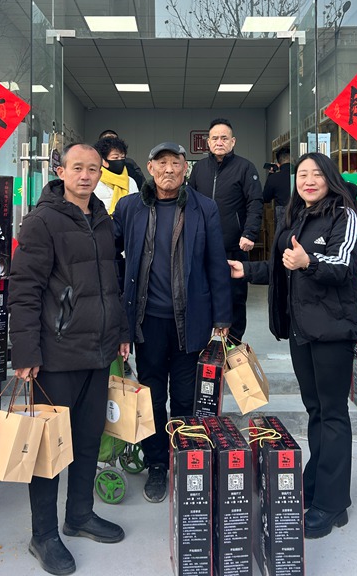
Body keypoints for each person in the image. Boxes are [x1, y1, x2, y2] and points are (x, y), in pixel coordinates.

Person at [228, 152, 357, 540]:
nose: (308, 180)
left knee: (333, 412)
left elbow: (343, 265)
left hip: (333, 330)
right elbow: (282, 266)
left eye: (316, 174)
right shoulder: (296, 216)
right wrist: (247, 270)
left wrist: (309, 262)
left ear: (329, 178)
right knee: (315, 409)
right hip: (302, 329)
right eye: (302, 174)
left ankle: (333, 503)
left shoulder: (344, 214)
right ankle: (317, 483)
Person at [8, 143, 130, 576]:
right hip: (56, 356)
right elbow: (24, 287)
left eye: (93, 169)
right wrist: (25, 351)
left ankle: (79, 515)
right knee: (49, 448)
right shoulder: (42, 221)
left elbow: (112, 282)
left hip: (98, 352)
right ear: (60, 171)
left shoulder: (102, 218)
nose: (85, 176)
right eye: (77, 168)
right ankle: (42, 535)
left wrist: (121, 331)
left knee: (88, 440)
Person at [113, 141, 232, 504]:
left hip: (190, 319)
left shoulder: (204, 207)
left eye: (176, 163)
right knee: (151, 396)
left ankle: (183, 459)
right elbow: (109, 256)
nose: (169, 169)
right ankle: (157, 465)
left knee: (184, 396)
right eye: (161, 162)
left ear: (185, 169)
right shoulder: (129, 207)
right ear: (150, 168)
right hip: (147, 320)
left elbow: (216, 263)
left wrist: (222, 317)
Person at [188, 118, 263, 341]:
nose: (219, 142)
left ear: (233, 141)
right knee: (201, 295)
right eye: (215, 138)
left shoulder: (245, 168)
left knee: (234, 299)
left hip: (233, 246)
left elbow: (255, 202)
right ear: (208, 142)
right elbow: (189, 202)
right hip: (201, 246)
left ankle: (233, 346)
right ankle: (204, 346)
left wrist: (249, 233)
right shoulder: (199, 168)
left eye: (224, 138)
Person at [93, 136, 139, 214]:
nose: (120, 160)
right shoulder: (95, 181)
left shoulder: (131, 181)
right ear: (103, 161)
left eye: (122, 157)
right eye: (115, 157)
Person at [263, 145, 292, 229]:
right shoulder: (300, 175)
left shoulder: (273, 178)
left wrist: (271, 174)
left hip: (282, 220)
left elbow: (266, 198)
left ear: (278, 164)